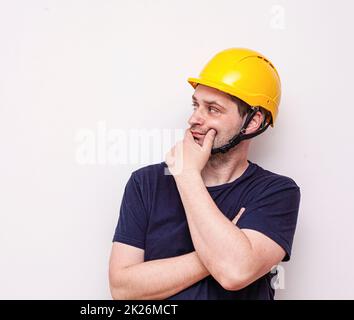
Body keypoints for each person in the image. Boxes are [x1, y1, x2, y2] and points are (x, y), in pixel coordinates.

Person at [108, 48, 301, 300]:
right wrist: (218, 253)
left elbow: (234, 272)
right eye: (196, 105)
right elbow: (122, 289)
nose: (193, 119)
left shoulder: (276, 192)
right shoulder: (145, 183)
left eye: (213, 109)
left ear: (253, 121)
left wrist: (187, 175)